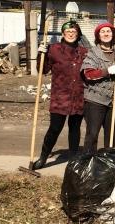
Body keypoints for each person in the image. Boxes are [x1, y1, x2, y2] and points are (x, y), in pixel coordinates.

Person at [33, 21, 88, 170]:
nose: (71, 33)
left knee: (74, 128)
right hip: (60, 97)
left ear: (78, 34)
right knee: (55, 128)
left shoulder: (84, 51)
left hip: (78, 96)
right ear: (63, 34)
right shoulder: (54, 49)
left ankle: (73, 159)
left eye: (74, 31)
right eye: (68, 31)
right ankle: (43, 157)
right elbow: (43, 70)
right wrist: (41, 54)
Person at [81, 21, 115, 152]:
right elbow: (88, 74)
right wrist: (108, 71)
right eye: (103, 31)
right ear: (98, 36)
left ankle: (108, 163)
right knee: (92, 134)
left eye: (109, 31)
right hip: (95, 100)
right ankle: (88, 163)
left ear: (113, 34)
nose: (106, 34)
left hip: (113, 101)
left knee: (111, 135)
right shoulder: (93, 53)